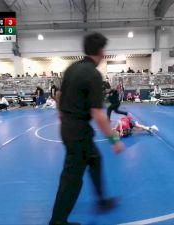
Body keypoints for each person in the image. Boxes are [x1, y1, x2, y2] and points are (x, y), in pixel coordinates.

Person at [50, 32, 124, 225]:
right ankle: (57, 222)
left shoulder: (72, 68)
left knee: (95, 160)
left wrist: (61, 112)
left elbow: (58, 94)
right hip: (78, 132)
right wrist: (114, 140)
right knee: (72, 177)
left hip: (69, 126)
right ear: (100, 51)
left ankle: (101, 200)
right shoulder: (93, 74)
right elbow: (98, 115)